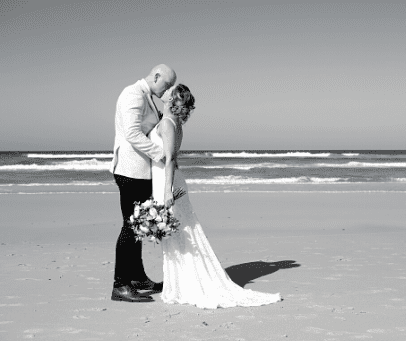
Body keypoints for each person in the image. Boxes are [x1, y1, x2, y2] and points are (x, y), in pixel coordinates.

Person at [148, 84, 282, 308]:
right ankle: (181, 283)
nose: (165, 93)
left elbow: (170, 159)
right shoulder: (170, 121)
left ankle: (187, 285)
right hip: (166, 179)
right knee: (178, 234)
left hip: (168, 182)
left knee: (182, 234)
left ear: (174, 101)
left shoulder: (169, 124)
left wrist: (166, 192)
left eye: (169, 92)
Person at [109, 64, 176, 302]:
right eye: (166, 84)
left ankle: (137, 278)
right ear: (156, 76)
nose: (167, 90)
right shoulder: (132, 94)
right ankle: (120, 285)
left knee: (138, 226)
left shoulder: (148, 97)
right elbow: (132, 133)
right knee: (130, 226)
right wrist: (161, 154)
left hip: (141, 172)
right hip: (130, 171)